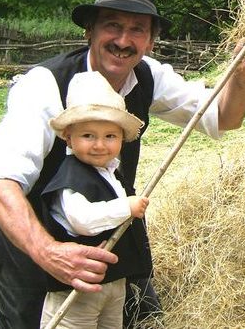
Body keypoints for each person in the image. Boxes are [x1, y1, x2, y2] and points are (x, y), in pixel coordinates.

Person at [0, 0, 245, 328]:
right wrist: (49, 252)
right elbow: (0, 182)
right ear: (90, 31)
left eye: (137, 29)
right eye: (112, 25)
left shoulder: (149, 75)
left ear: (150, 41)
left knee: (143, 320)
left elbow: (225, 117)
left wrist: (240, 72)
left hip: (108, 238)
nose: (123, 40)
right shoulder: (44, 85)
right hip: (32, 243)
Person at [39, 71, 149, 328]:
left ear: (122, 138)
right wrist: (126, 207)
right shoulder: (70, 179)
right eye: (88, 136)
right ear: (69, 137)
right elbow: (82, 221)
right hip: (78, 288)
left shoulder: (111, 172)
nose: (100, 145)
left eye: (110, 136)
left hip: (112, 281)